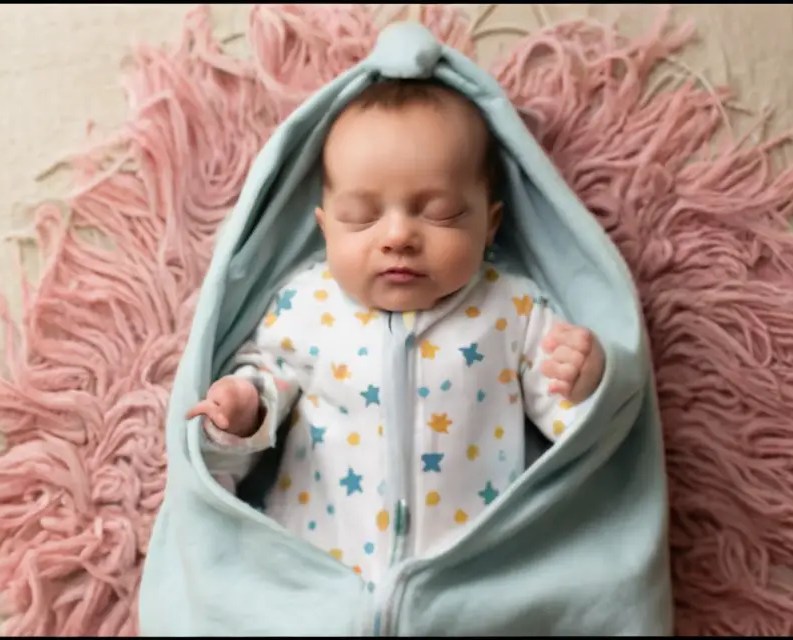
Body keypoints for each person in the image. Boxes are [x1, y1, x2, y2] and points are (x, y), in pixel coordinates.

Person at [186, 78, 607, 590]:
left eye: (440, 214)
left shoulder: (512, 309)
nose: (398, 237)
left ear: (490, 224)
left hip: (472, 578)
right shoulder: (307, 305)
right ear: (326, 227)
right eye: (362, 218)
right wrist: (242, 409)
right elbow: (263, 389)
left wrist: (583, 381)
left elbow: (578, 438)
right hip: (320, 572)